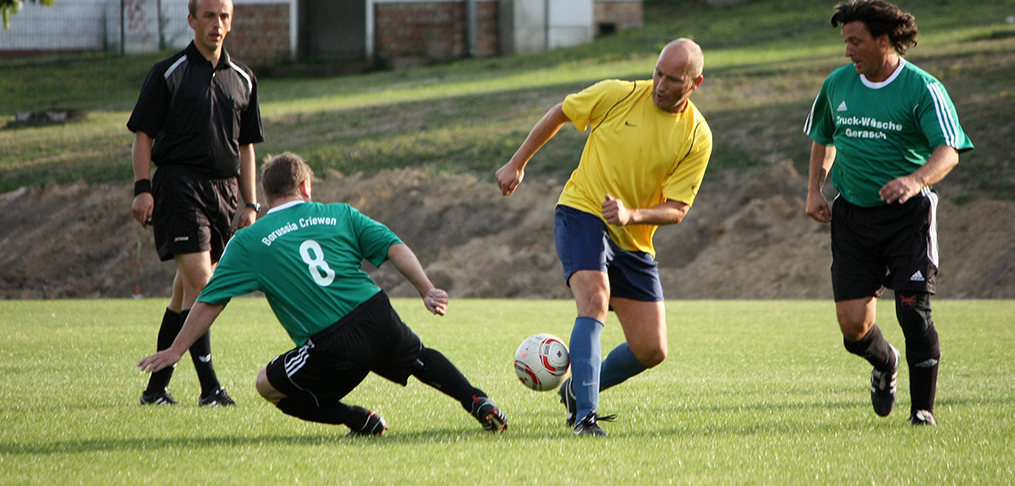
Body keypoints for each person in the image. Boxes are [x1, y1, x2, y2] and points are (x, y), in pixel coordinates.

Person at [138, 152, 508, 436]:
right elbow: (395, 246)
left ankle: (358, 419)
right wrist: (426, 290)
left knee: (268, 385)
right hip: (375, 313)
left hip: (331, 345)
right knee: (418, 357)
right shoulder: (340, 213)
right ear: (305, 188)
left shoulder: (248, 241)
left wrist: (176, 349)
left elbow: (209, 300)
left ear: (267, 198)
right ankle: (476, 399)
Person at [496, 39, 712, 436]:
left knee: (652, 349)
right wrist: (517, 163)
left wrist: (633, 215)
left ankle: (577, 391)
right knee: (595, 299)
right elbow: (562, 112)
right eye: (658, 73)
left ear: (695, 83)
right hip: (582, 212)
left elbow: (678, 208)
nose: (660, 85)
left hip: (633, 237)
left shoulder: (697, 135)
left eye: (673, 80)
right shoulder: (619, 95)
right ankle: (585, 419)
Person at [803, 0, 973, 426]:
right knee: (852, 327)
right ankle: (885, 363)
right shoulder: (837, 84)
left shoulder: (922, 88)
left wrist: (916, 180)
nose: (847, 50)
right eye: (845, 41)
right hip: (853, 218)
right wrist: (814, 190)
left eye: (855, 41)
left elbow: (948, 151)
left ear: (884, 40)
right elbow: (823, 136)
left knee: (913, 312)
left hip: (907, 218)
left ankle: (923, 412)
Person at [128, 0, 264, 407]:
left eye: (224, 16)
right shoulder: (168, 73)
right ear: (191, 21)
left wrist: (251, 202)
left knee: (184, 295)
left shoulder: (242, 79)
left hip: (223, 195)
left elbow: (246, 147)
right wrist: (143, 189)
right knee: (206, 286)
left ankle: (155, 390)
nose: (217, 25)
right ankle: (211, 389)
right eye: (208, 16)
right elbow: (143, 136)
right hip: (178, 187)